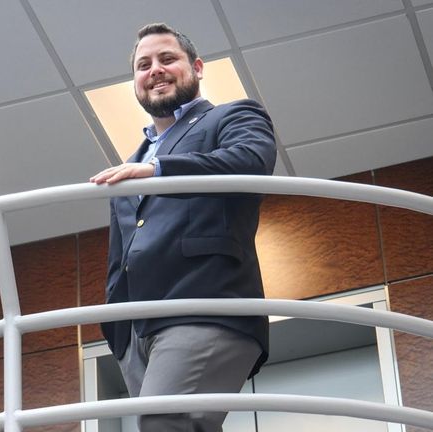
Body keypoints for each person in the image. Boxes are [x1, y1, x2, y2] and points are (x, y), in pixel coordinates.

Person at [90, 23, 276, 431]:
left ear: (197, 67)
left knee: (163, 426)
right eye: (143, 65)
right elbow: (121, 252)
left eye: (167, 59)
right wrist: (117, 327)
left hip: (204, 307)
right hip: (136, 330)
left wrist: (159, 170)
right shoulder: (132, 158)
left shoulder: (232, 115)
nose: (154, 69)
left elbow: (251, 162)